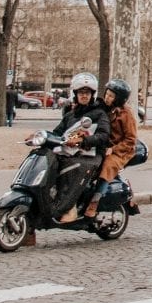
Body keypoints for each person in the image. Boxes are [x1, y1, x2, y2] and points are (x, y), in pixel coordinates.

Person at [50, 72, 110, 225]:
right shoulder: (70, 115)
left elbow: (103, 136)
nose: (84, 96)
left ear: (93, 95)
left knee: (74, 168)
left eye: (87, 93)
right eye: (81, 93)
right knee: (47, 160)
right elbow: (57, 132)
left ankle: (70, 207)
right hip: (70, 152)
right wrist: (41, 136)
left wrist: (83, 140)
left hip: (90, 155)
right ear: (75, 94)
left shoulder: (99, 113)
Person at [84, 79, 137, 219]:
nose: (107, 98)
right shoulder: (102, 108)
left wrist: (113, 149)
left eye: (111, 96)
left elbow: (131, 139)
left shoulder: (126, 114)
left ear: (118, 99)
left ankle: (94, 201)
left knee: (107, 165)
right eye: (107, 94)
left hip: (120, 150)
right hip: (103, 144)